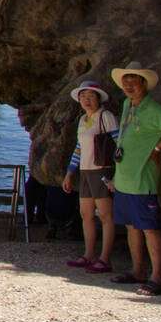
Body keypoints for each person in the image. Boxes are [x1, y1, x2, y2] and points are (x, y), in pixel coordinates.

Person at [106, 61, 161, 297]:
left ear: (144, 83)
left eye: (133, 81)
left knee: (149, 228)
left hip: (142, 181)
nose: (128, 86)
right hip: (124, 179)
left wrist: (157, 148)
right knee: (132, 227)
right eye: (126, 82)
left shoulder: (154, 110)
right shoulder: (127, 104)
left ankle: (157, 278)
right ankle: (137, 271)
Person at [61, 81, 118, 274]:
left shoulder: (106, 117)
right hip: (85, 172)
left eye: (91, 96)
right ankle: (88, 254)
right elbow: (79, 148)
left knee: (105, 215)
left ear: (98, 98)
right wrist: (70, 172)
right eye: (83, 96)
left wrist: (116, 175)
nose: (86, 100)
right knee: (86, 214)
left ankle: (104, 259)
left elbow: (119, 146)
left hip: (102, 170)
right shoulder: (83, 120)